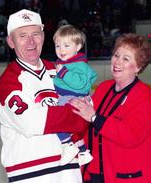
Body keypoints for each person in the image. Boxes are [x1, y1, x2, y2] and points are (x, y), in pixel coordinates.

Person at [0, 9, 88, 183]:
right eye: (22, 35)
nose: (30, 41)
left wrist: (77, 115)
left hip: (69, 172)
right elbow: (31, 122)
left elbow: (87, 111)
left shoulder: (59, 69)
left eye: (35, 34)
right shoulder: (10, 81)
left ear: (43, 37)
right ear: (10, 41)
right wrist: (74, 114)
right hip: (30, 175)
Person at [70, 33, 151, 183]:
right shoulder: (103, 88)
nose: (117, 62)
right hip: (96, 172)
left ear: (138, 67)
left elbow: (131, 136)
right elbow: (86, 125)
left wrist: (95, 117)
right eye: (116, 55)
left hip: (128, 176)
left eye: (126, 59)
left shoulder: (143, 95)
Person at [52, 24, 97, 166]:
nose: (61, 50)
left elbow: (80, 83)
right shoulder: (68, 63)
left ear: (77, 47)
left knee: (56, 121)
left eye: (66, 45)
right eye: (58, 46)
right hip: (67, 97)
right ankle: (83, 152)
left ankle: (67, 145)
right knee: (72, 130)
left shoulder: (79, 65)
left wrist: (63, 73)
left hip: (70, 99)